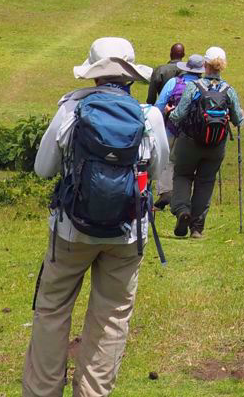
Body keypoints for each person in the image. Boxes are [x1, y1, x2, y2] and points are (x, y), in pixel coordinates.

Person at [23, 37, 172, 397]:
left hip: (71, 231)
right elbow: (159, 169)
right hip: (126, 235)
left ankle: (42, 391)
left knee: (53, 310)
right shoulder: (148, 116)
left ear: (93, 75)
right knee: (111, 318)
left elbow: (43, 169)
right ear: (130, 76)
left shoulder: (71, 110)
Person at [164, 46, 244, 238]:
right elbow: (237, 120)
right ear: (222, 66)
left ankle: (183, 210)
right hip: (216, 146)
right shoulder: (228, 90)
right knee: (206, 182)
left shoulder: (194, 87)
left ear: (205, 65)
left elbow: (178, 116)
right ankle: (197, 228)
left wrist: (169, 112)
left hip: (189, 142)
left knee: (182, 175)